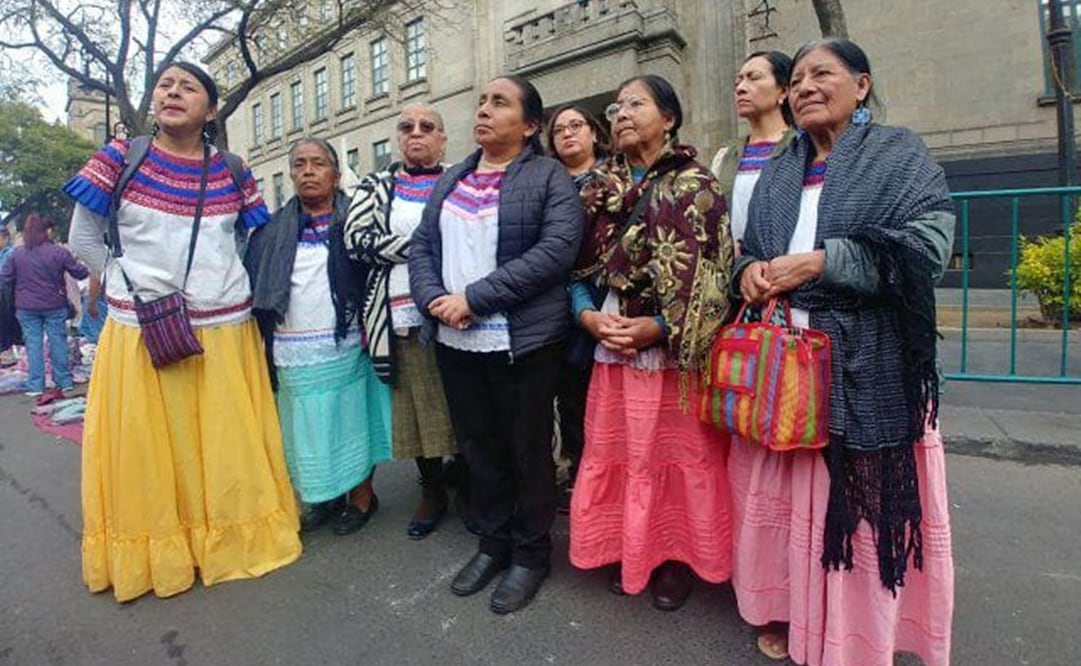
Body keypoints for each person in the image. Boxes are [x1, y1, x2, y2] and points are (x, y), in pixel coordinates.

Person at [731, 39, 955, 665]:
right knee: (795, 507)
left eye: (821, 74)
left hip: (870, 364)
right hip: (791, 372)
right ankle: (801, 618)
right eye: (796, 78)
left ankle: (861, 639)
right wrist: (748, 270)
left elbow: (928, 247)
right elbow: (749, 245)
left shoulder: (897, 152)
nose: (804, 86)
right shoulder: (782, 165)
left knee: (859, 513)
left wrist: (827, 262)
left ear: (861, 85)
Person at [64, 61, 301, 602]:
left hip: (223, 328)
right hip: (142, 328)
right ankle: (162, 552)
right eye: (165, 85)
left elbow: (250, 240)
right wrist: (130, 288)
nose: (172, 92)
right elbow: (83, 240)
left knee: (219, 445)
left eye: (188, 87)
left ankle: (224, 541)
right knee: (151, 448)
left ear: (211, 109)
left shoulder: (234, 170)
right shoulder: (119, 157)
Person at [409, 75, 583, 614]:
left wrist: (475, 298)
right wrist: (435, 297)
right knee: (478, 447)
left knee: (528, 451)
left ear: (530, 125)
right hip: (455, 339)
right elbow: (422, 244)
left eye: (499, 103)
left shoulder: (548, 176)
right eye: (482, 101)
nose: (483, 110)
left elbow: (556, 251)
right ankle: (493, 543)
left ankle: (530, 555)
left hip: (522, 341)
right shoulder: (454, 177)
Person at [567, 75, 735, 612]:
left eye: (636, 104)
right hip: (610, 344)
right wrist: (587, 315)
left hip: (671, 355)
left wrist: (659, 327)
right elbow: (573, 270)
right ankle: (626, 547)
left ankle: (673, 558)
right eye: (616, 106)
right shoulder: (597, 189)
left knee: (675, 460)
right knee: (618, 455)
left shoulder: (696, 186)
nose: (621, 114)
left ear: (669, 118)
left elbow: (714, 279)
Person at [246, 137, 390, 536]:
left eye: (318, 163)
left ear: (336, 174)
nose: (308, 171)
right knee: (305, 426)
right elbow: (257, 289)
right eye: (299, 164)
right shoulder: (270, 232)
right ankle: (324, 495)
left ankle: (362, 497)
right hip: (292, 346)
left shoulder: (359, 222)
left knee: (352, 420)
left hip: (347, 342)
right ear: (291, 173)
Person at [344, 104, 466, 540]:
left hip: (458, 311)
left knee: (462, 402)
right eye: (406, 127)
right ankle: (432, 488)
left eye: (427, 127)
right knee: (417, 408)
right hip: (400, 315)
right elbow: (358, 242)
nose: (416, 134)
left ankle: (468, 481)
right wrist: (426, 243)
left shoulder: (462, 179)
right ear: (398, 138)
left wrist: (407, 245)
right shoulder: (377, 185)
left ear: (443, 138)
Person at [544, 104, 610, 513]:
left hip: (601, 294)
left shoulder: (614, 179)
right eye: (559, 130)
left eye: (576, 125)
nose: (568, 133)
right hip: (552, 297)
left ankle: (599, 471)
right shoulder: (546, 181)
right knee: (566, 391)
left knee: (596, 389)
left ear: (594, 133)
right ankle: (574, 465)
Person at [710, 51, 796, 253]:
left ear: (783, 91)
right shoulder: (725, 155)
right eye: (738, 82)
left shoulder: (802, 147)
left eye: (754, 78)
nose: (740, 88)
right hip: (735, 272)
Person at [0, 214, 88, 396]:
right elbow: (79, 273)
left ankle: (35, 386)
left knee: (33, 344)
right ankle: (63, 381)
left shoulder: (16, 254)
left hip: (25, 306)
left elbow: (5, 278)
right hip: (54, 304)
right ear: (46, 231)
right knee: (58, 341)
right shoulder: (59, 252)